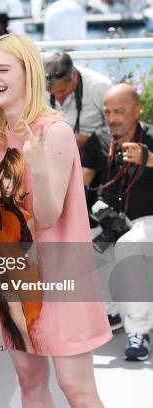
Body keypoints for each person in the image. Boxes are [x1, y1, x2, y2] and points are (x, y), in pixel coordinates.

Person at [0, 33, 111, 406]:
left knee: (75, 387)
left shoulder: (54, 130)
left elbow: (48, 216)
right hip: (14, 277)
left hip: (61, 277)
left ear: (28, 74)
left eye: (3, 69)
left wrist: (39, 168)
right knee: (30, 381)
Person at [81, 83, 153, 361]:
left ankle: (138, 331)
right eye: (108, 112)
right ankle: (111, 310)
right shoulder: (99, 140)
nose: (112, 119)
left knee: (127, 247)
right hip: (111, 219)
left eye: (120, 112)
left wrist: (147, 159)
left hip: (146, 220)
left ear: (137, 110)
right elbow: (80, 185)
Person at [44, 51, 112, 151]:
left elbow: (117, 129)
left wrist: (88, 141)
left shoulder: (99, 87)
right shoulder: (38, 86)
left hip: (93, 153)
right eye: (51, 93)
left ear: (74, 75)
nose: (58, 97)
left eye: (62, 91)